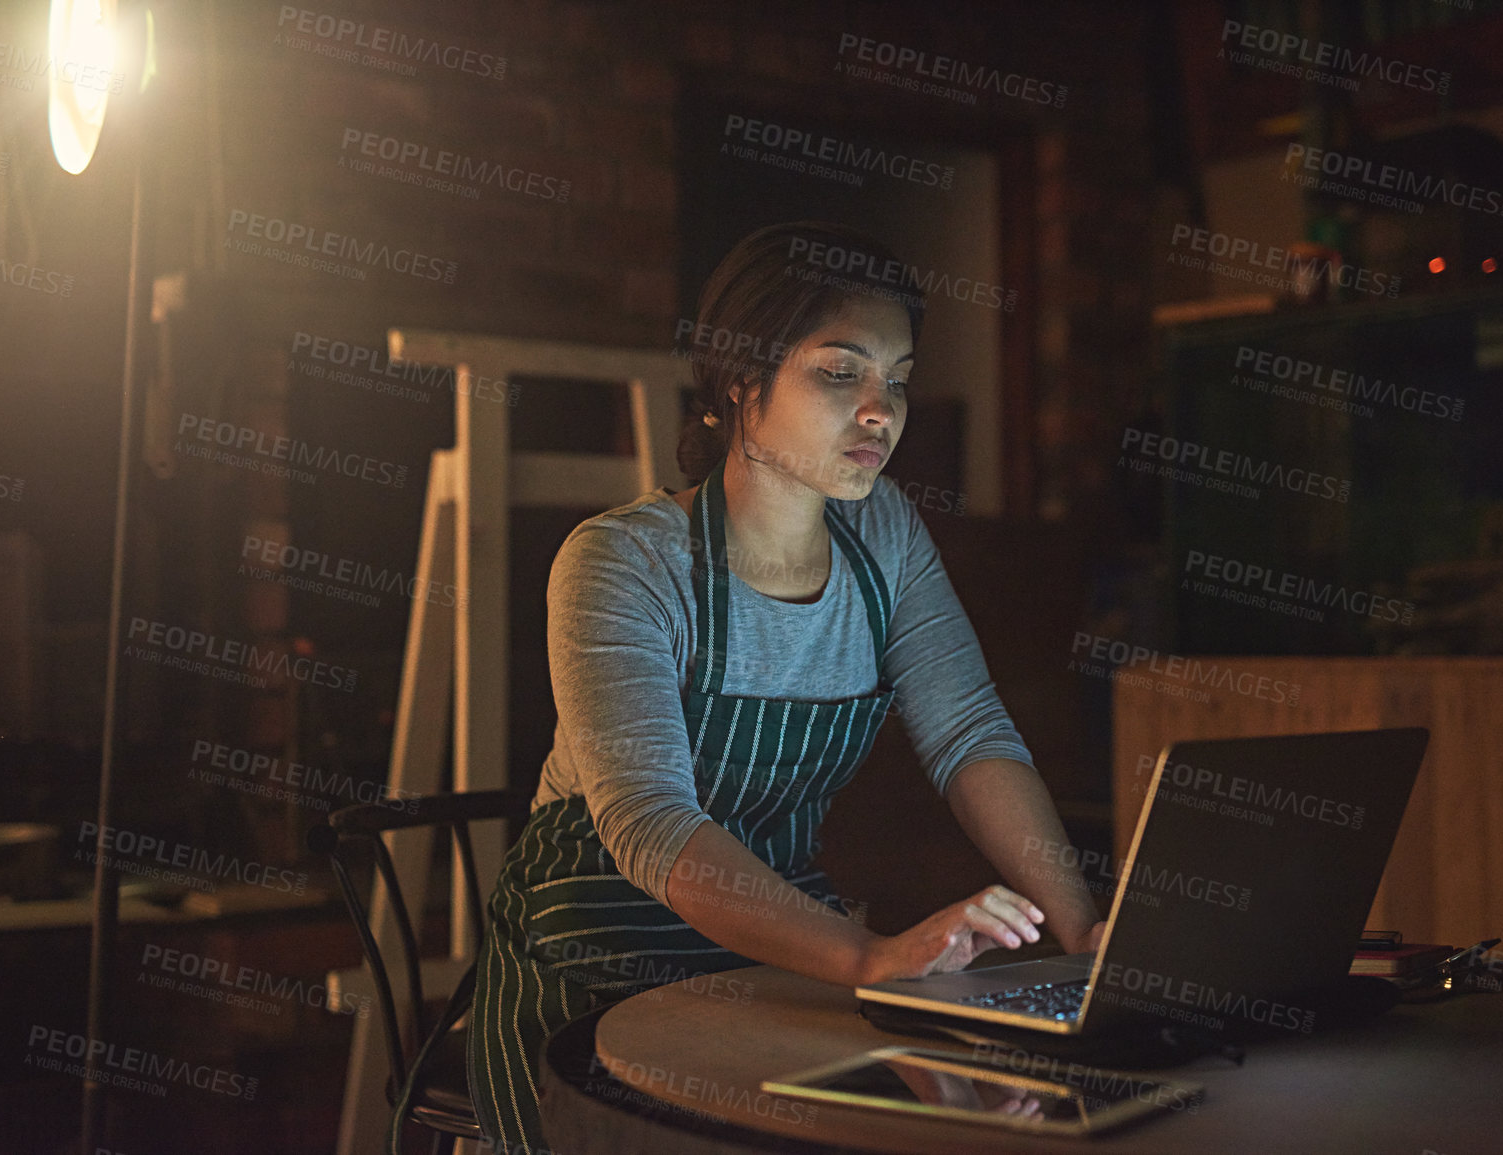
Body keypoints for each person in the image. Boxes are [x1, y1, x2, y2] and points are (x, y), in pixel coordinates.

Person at [467, 221, 1104, 1154]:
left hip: (778, 943)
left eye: (898, 377)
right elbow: (648, 822)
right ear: (739, 379)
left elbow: (969, 733)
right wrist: (867, 957)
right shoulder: (623, 561)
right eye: (840, 372)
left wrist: (1085, 932)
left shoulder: (884, 536)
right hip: (597, 951)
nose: (881, 411)